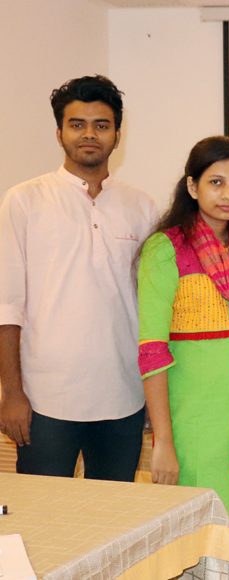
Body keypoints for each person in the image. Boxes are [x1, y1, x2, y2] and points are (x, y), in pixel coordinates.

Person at [137, 136, 229, 561]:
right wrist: (163, 441)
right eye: (216, 182)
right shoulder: (165, 249)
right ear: (192, 186)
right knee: (199, 532)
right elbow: (152, 351)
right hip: (195, 423)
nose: (228, 194)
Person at [0, 75, 157, 481]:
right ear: (59, 133)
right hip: (45, 400)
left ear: (117, 135)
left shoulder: (142, 207)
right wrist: (12, 394)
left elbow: (153, 308)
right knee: (43, 513)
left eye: (101, 125)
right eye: (77, 124)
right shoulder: (24, 200)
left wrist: (154, 399)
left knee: (115, 513)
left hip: (124, 396)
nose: (89, 134)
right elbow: (7, 306)